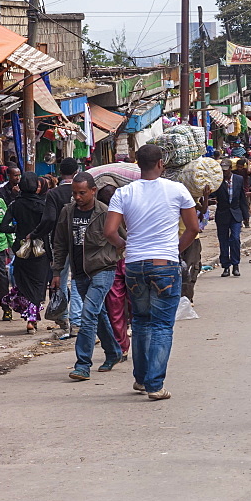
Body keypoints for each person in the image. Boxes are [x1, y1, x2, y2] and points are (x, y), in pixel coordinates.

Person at [104, 144, 198, 400]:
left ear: (137, 163)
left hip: (134, 264)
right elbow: (193, 228)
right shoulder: (177, 189)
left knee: (142, 322)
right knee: (162, 326)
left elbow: (110, 231)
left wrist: (126, 246)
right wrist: (174, 250)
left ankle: (142, 379)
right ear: (160, 163)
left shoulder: (123, 193)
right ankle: (155, 385)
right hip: (164, 264)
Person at [52, 172, 124, 380]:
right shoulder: (67, 212)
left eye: (82, 193)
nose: (77, 197)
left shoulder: (105, 213)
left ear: (93, 191)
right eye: (75, 193)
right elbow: (60, 244)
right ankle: (113, 352)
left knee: (88, 314)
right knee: (98, 313)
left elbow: (123, 238)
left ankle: (83, 364)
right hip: (80, 272)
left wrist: (115, 256)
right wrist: (57, 271)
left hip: (103, 270)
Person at [31, 158, 80, 335]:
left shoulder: (53, 194)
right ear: (76, 171)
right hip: (79, 241)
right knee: (76, 280)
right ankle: (77, 320)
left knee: (60, 278)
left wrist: (36, 234)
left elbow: (49, 219)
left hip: (59, 242)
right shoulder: (83, 190)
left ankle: (64, 317)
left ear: (60, 172)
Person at [0, 173, 51, 333]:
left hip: (21, 249)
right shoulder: (43, 205)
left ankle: (30, 317)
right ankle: (32, 318)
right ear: (36, 186)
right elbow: (49, 224)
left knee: (25, 283)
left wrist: (18, 229)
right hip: (40, 250)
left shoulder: (15, 205)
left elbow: (3, 227)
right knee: (39, 284)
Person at [97, 184, 129, 358]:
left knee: (115, 307)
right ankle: (125, 344)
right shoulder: (119, 213)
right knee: (126, 306)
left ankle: (122, 345)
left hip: (115, 262)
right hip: (120, 261)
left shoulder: (103, 215)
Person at [214, 158, 250, 277]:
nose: (224, 172)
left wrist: (246, 216)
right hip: (222, 214)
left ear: (230, 169)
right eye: (222, 170)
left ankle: (235, 264)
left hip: (236, 213)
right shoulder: (217, 181)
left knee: (235, 239)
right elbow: (212, 195)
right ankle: (225, 266)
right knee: (223, 241)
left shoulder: (238, 179)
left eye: (226, 170)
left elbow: (242, 198)